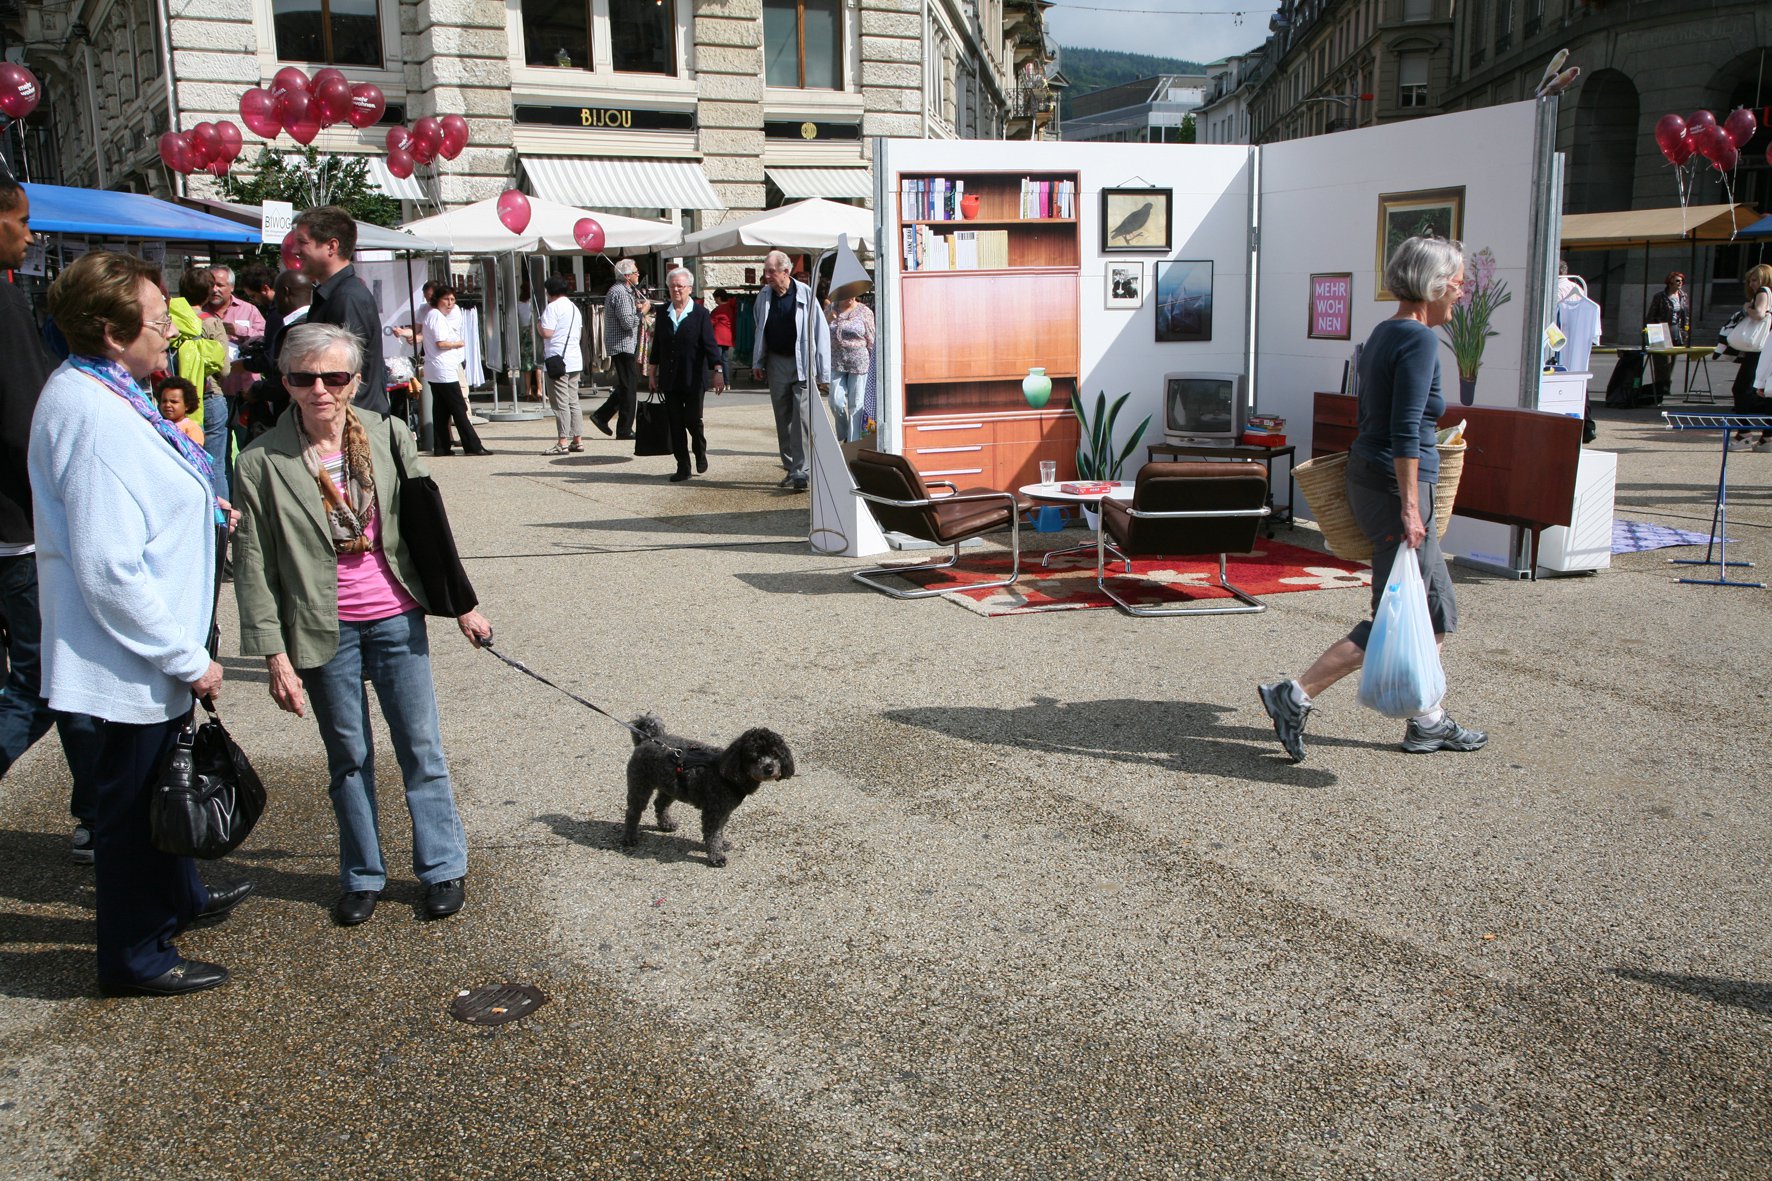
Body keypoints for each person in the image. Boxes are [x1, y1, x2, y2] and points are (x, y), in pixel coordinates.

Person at [30, 250, 252, 996]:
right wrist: (186, 655)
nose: (170, 333)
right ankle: (136, 954)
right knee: (130, 810)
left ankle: (178, 897)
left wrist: (201, 502)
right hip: (130, 654)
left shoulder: (107, 387)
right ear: (111, 330)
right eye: (158, 323)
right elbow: (107, 566)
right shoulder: (91, 413)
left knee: (165, 779)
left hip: (147, 649)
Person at [233, 322, 489, 927]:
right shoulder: (260, 461)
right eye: (303, 377)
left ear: (355, 381)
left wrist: (462, 606)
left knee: (421, 749)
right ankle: (362, 874)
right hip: (323, 629)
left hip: (396, 615)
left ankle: (442, 866)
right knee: (348, 756)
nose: (319, 389)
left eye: (334, 376)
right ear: (287, 383)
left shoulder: (390, 435)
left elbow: (429, 527)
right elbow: (255, 565)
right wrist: (273, 657)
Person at [1258, 236, 1487, 763]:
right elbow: (1406, 428)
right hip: (1397, 486)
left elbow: (1387, 419)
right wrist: (1411, 506)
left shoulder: (1386, 332)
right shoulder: (1420, 341)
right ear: (1432, 284)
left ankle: (1428, 719)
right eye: (1456, 279)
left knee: (1432, 608)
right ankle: (1293, 695)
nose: (1461, 289)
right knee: (1397, 611)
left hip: (1379, 475)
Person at [0, 175, 101, 865]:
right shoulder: (5, 304)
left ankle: (97, 806)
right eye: (22, 219)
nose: (30, 234)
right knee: (46, 679)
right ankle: (103, 808)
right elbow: (24, 422)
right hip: (20, 528)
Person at [292, 205, 389, 415]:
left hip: (353, 426)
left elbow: (344, 373)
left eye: (302, 242)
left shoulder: (346, 298)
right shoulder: (335, 294)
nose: (294, 250)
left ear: (331, 246)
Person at [751, 250, 831, 492]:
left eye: (771, 272)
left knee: (801, 419)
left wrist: (823, 371)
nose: (766, 276)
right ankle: (790, 467)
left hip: (802, 362)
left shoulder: (805, 294)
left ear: (786, 272)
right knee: (782, 417)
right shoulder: (764, 296)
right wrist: (757, 361)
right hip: (776, 362)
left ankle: (801, 471)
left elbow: (821, 332)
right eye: (766, 271)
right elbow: (759, 329)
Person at [647, 267, 725, 483]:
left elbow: (710, 345)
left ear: (690, 288)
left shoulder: (700, 314)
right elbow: (657, 347)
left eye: (680, 286)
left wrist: (718, 371)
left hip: (693, 377)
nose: (676, 290)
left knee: (692, 419)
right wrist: (652, 374)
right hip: (670, 378)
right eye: (672, 286)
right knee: (675, 423)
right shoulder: (663, 313)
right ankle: (683, 465)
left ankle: (700, 451)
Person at [167, 267, 230, 502]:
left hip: (175, 400)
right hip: (209, 396)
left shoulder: (169, 320)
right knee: (215, 464)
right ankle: (220, 522)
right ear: (207, 294)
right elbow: (224, 368)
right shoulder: (211, 323)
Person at [421, 285, 489, 457]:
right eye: (446, 299)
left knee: (441, 409)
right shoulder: (435, 315)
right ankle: (472, 445)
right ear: (437, 300)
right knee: (458, 407)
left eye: (452, 300)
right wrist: (457, 344)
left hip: (439, 368)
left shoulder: (436, 315)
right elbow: (440, 342)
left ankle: (442, 446)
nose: (450, 303)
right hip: (442, 369)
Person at [590, 259, 647, 439]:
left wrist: (635, 309)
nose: (639, 274)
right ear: (627, 275)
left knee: (626, 385)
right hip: (622, 344)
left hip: (623, 344)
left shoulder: (623, 291)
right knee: (629, 386)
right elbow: (628, 323)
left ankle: (602, 416)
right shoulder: (621, 292)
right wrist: (642, 312)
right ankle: (623, 428)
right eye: (636, 272)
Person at [1725, 263, 1772, 451]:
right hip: (1767, 347)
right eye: (1750, 280)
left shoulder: (1763, 291)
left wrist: (1747, 310)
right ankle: (1767, 436)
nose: (1751, 284)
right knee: (1766, 391)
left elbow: (1759, 314)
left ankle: (1744, 432)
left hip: (1759, 348)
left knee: (1741, 389)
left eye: (1754, 279)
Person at [538, 276, 585, 454]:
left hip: (557, 360)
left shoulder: (552, 308)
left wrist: (538, 325)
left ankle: (563, 441)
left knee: (560, 403)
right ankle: (577, 439)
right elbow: (579, 334)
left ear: (549, 292)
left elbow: (547, 332)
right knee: (573, 401)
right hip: (574, 359)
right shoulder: (574, 308)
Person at [827, 291, 875, 442]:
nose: (851, 295)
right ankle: (844, 435)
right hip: (836, 361)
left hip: (859, 362)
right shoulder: (830, 309)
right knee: (835, 401)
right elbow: (819, 333)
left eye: (854, 292)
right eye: (848, 291)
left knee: (856, 405)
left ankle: (852, 443)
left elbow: (872, 338)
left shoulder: (864, 311)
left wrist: (875, 364)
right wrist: (828, 319)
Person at [1645, 271, 1690, 403]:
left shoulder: (1683, 296)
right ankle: (1661, 386)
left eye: (1681, 281)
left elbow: (1685, 314)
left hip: (1677, 330)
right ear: (1670, 282)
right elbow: (1651, 314)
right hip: (1662, 329)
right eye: (1677, 281)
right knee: (1662, 361)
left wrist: (1686, 330)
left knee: (1672, 360)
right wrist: (1650, 330)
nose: (1680, 283)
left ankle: (1665, 385)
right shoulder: (1660, 297)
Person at [156, 376, 204, 446]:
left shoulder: (192, 428)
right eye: (164, 401)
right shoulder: (159, 425)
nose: (167, 405)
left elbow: (195, 453)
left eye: (174, 402)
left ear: (187, 405)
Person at [516, 278, 541, 401]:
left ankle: (528, 391)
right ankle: (540, 390)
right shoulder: (533, 303)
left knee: (527, 365)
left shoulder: (518, 304)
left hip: (524, 333)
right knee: (538, 363)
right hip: (534, 332)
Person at [709, 287, 738, 381]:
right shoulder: (731, 308)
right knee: (725, 360)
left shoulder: (719, 309)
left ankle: (719, 381)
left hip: (718, 337)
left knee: (717, 360)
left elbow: (711, 322)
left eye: (715, 299)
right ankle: (727, 382)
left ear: (718, 298)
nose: (715, 301)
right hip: (728, 337)